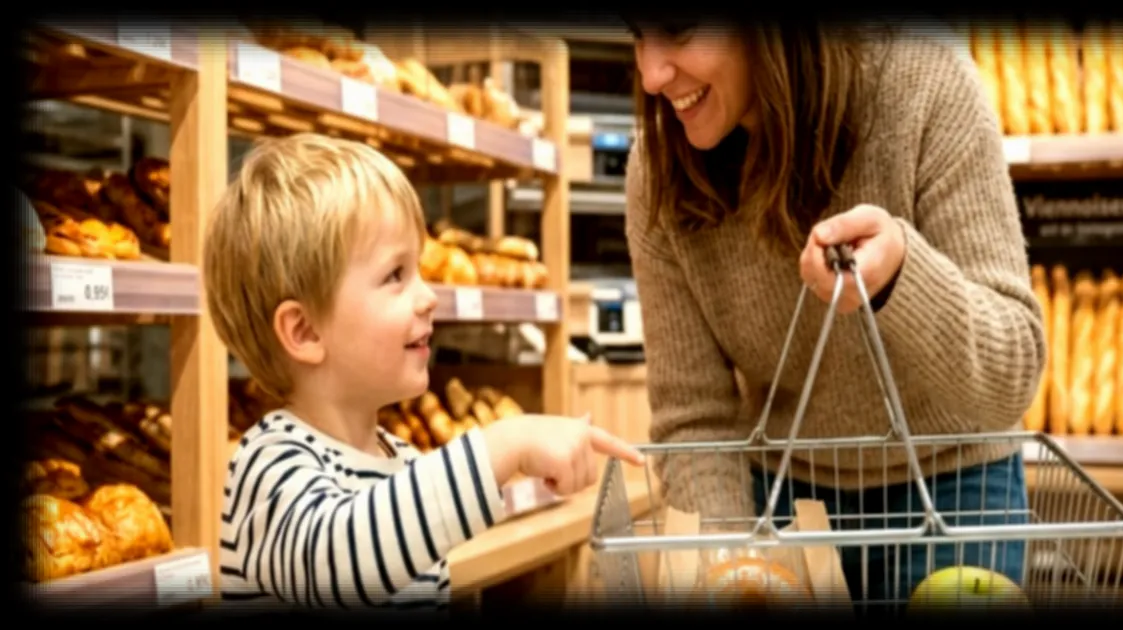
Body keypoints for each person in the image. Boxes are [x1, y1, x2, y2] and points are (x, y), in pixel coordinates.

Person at [623, 19, 1045, 607]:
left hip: (955, 496)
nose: (651, 74)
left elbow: (1011, 376)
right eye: (637, 34)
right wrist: (730, 565)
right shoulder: (659, 168)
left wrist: (902, 277)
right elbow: (696, 420)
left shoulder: (922, 81)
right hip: (783, 503)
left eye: (680, 31)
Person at [203, 133, 644, 612]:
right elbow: (345, 565)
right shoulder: (268, 465)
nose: (429, 295)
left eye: (418, 269)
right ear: (305, 331)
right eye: (395, 275)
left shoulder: (407, 464)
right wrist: (506, 443)